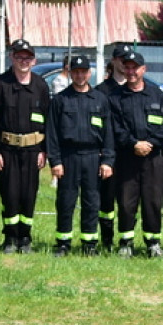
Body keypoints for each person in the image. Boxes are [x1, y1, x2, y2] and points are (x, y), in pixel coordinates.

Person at [110, 50, 163, 257]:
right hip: (127, 157)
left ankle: (153, 242)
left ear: (143, 69)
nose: (131, 71)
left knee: (153, 200)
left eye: (135, 68)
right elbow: (116, 127)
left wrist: (150, 143)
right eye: (127, 67)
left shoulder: (157, 94)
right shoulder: (116, 97)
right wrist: (133, 144)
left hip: (153, 158)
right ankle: (126, 242)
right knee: (126, 200)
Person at [46, 54, 114, 256]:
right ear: (70, 73)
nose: (79, 76)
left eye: (83, 72)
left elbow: (108, 133)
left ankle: (89, 243)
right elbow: (52, 133)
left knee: (92, 201)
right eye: (75, 72)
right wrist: (55, 161)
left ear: (89, 73)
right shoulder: (60, 100)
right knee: (66, 200)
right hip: (69, 156)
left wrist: (108, 161)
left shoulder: (100, 100)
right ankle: (63, 242)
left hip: (93, 156)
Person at [0, 39, 49, 253]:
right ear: (11, 58)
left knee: (28, 195)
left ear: (34, 61)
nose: (23, 61)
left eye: (28, 57)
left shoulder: (41, 85)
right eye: (19, 57)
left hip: (33, 150)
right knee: (10, 194)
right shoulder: (0, 84)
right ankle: (10, 238)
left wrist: (45, 151)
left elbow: (47, 119)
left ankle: (25, 238)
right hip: (7, 149)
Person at [94, 43, 133, 251]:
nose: (125, 65)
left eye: (129, 62)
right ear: (114, 61)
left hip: (129, 153)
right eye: (121, 60)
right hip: (108, 152)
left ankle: (126, 240)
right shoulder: (102, 91)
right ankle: (107, 240)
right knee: (106, 200)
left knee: (128, 200)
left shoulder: (135, 88)